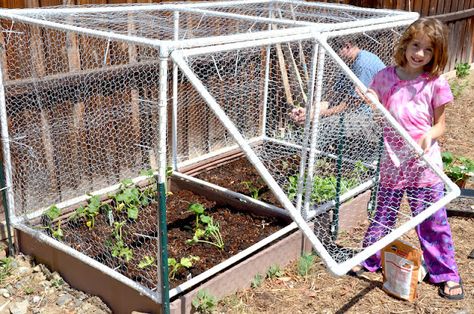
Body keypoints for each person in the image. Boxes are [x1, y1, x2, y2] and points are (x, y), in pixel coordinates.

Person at [351, 17, 464, 300]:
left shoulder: (434, 83)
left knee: (432, 221)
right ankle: (370, 261)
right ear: (406, 44)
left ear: (435, 55)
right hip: (393, 163)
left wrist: (428, 136)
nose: (419, 54)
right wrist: (367, 96)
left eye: (428, 50)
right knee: (383, 216)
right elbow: (373, 97)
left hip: (424, 167)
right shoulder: (387, 76)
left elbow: (441, 125)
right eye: (416, 46)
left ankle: (446, 273)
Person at [290, 37, 385, 161]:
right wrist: (310, 111)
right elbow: (334, 96)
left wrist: (321, 114)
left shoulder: (363, 65)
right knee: (313, 120)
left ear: (347, 46)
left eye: (337, 51)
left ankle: (304, 158)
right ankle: (306, 154)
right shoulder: (350, 64)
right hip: (357, 110)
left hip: (373, 116)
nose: (336, 55)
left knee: (328, 125)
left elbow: (352, 103)